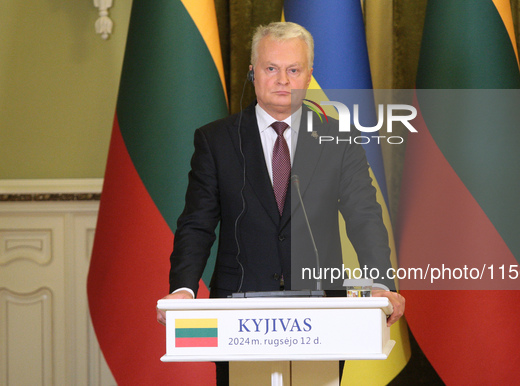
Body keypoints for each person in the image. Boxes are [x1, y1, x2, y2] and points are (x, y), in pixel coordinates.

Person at [157, 21, 404, 384]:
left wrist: (382, 283)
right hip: (238, 317)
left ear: (309, 75)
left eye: (293, 69)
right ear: (253, 71)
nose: (282, 80)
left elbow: (364, 215)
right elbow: (197, 222)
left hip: (323, 315)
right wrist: (182, 288)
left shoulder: (341, 140)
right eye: (272, 68)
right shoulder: (216, 141)